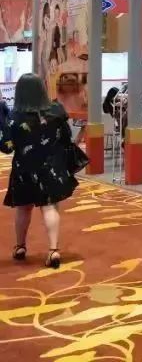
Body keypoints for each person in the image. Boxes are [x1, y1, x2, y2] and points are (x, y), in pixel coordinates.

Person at [2, 74, 77, 269]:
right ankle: (53, 250)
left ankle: (20, 247)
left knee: (23, 208)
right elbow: (66, 137)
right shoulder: (56, 111)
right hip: (50, 167)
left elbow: (7, 147)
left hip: (24, 169)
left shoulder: (13, 118)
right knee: (49, 207)